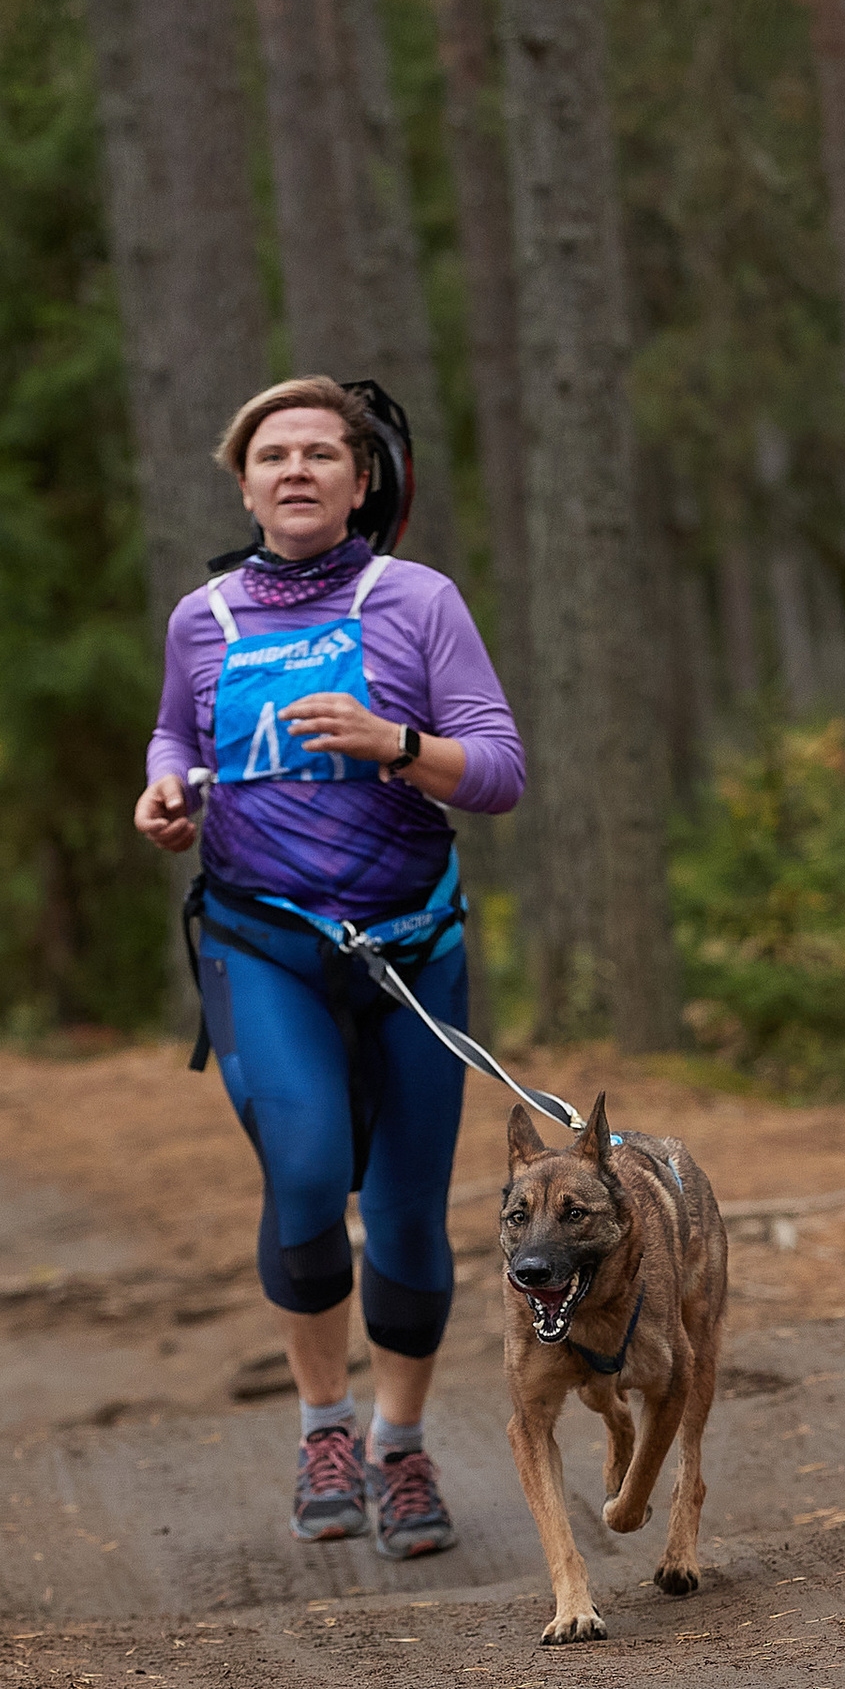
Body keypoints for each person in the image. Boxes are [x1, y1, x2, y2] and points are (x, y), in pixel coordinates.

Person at [136, 378, 526, 1556]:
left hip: (409, 950)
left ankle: (399, 1449)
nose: (295, 469)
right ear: (243, 483)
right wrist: (163, 795)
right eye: (272, 455)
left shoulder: (416, 601)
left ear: (363, 483)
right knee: (304, 1173)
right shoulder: (201, 617)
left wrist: (398, 745)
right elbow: (176, 736)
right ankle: (320, 1426)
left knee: (406, 1216)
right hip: (264, 945)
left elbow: (501, 770)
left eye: (320, 453)